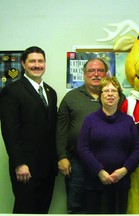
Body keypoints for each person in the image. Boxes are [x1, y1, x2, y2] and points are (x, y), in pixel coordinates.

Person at [56, 58, 125, 213]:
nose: (95, 74)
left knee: (106, 206)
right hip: (77, 163)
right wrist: (62, 157)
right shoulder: (71, 98)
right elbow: (61, 130)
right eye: (91, 71)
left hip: (109, 164)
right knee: (77, 205)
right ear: (84, 74)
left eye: (100, 70)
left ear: (106, 73)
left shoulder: (116, 97)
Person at [0, 46, 58, 213]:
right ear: (23, 64)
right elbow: (10, 131)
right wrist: (19, 163)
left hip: (47, 168)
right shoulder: (12, 91)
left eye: (40, 61)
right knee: (25, 210)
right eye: (32, 61)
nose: (37, 65)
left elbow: (51, 129)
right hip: (26, 168)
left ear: (45, 64)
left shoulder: (50, 92)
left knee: (42, 210)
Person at [77, 76, 139, 214]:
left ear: (119, 96)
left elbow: (136, 148)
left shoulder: (128, 121)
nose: (110, 94)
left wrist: (124, 170)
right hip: (95, 182)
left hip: (121, 182)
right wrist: (100, 172)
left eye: (114, 91)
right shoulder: (90, 120)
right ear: (100, 96)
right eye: (106, 91)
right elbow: (83, 148)